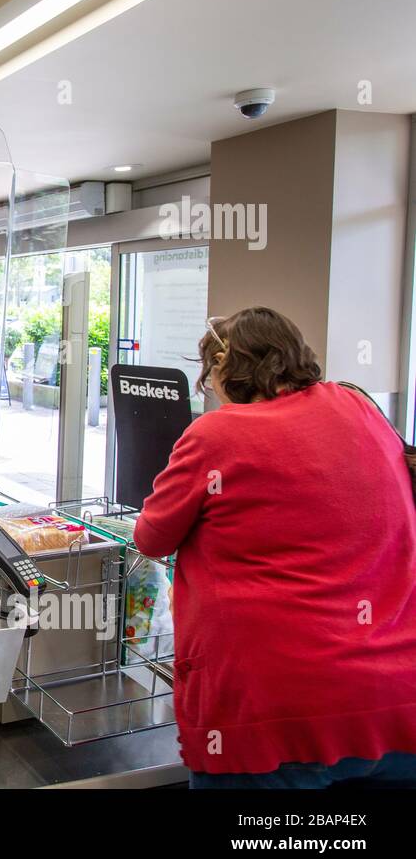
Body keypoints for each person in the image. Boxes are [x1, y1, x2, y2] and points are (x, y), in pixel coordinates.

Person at [134, 306, 416, 788]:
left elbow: (152, 538)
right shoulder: (361, 408)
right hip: (392, 699)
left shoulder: (217, 434)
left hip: (273, 714)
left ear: (225, 370)